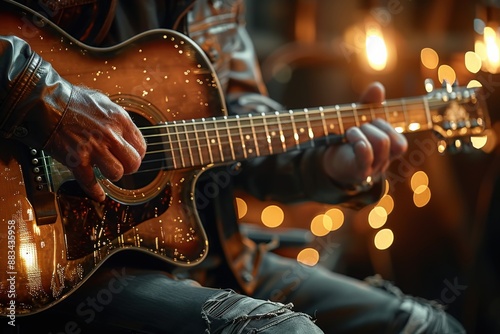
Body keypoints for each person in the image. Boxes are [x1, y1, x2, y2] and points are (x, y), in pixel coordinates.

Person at [0, 0, 465, 333]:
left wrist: (328, 167)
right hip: (71, 272)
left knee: (430, 326)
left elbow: (240, 128)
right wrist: (50, 104)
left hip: (219, 256)